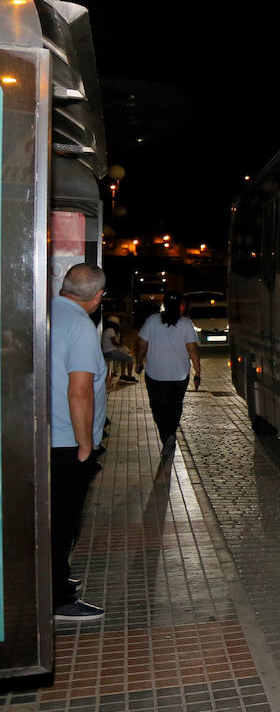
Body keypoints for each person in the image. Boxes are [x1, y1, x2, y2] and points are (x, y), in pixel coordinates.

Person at [50, 263, 108, 621]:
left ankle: (54, 577)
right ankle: (57, 598)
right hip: (67, 443)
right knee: (63, 521)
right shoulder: (81, 326)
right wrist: (85, 446)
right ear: (98, 296)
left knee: (51, 518)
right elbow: (80, 390)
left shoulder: (47, 313)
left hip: (45, 437)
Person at [135, 291, 201, 449]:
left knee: (158, 407)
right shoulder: (186, 324)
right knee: (175, 406)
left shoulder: (152, 321)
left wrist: (138, 362)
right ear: (180, 306)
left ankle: (166, 436)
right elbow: (192, 350)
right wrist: (198, 373)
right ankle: (170, 434)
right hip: (179, 375)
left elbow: (141, 344)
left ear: (164, 304)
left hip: (155, 374)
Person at [101, 315, 135, 384]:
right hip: (111, 352)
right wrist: (121, 345)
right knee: (130, 358)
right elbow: (114, 343)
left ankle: (123, 375)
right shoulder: (111, 330)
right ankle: (129, 376)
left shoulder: (107, 330)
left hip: (108, 351)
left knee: (125, 355)